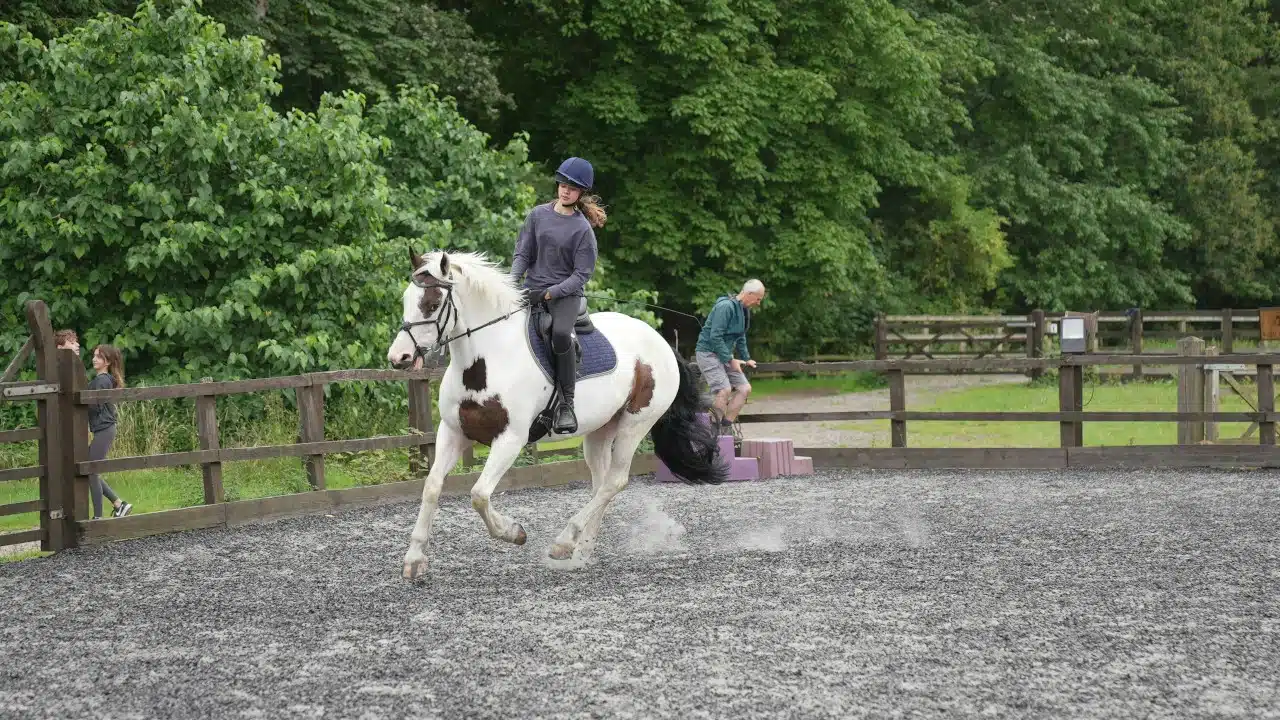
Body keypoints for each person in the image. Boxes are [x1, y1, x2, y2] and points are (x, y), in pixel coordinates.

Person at [510, 156, 606, 435]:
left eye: (572, 188)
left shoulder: (582, 230)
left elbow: (581, 275)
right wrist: (512, 282)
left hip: (564, 296)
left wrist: (551, 293)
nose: (565, 190)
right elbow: (523, 254)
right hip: (531, 289)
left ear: (580, 194)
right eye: (563, 184)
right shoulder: (537, 215)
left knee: (561, 334)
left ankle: (566, 404)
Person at [695, 279, 766, 432]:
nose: (758, 303)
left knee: (744, 389)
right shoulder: (725, 307)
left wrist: (747, 358)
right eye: (758, 299)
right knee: (724, 390)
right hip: (708, 353)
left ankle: (725, 428)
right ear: (749, 294)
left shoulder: (743, 310)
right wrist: (730, 360)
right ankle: (713, 429)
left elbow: (741, 336)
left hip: (725, 354)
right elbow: (715, 337)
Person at [86, 344, 132, 519]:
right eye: (94, 355)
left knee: (91, 470)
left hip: (104, 429)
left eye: (99, 356)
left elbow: (94, 404)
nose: (94, 359)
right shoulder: (101, 379)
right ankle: (120, 505)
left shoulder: (103, 380)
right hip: (103, 429)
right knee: (89, 470)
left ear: (108, 361)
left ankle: (98, 518)